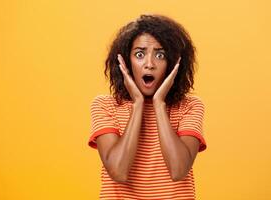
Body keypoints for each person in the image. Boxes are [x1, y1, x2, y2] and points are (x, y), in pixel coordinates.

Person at [88, 14, 207, 199]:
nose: (149, 64)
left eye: (160, 55)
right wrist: (138, 105)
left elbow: (178, 170)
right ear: (126, 62)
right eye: (140, 54)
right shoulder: (105, 106)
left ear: (174, 64)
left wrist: (159, 104)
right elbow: (118, 171)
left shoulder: (190, 107)